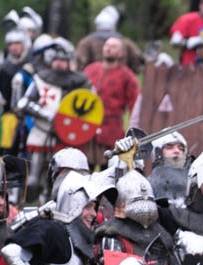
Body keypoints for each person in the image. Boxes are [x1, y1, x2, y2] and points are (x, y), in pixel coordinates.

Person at [15, 39, 92, 202]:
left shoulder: (81, 82)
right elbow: (23, 103)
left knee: (67, 173)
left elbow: (92, 106)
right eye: (57, 60)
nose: (60, 64)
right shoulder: (40, 80)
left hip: (68, 136)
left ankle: (61, 201)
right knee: (35, 178)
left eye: (63, 61)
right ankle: (32, 202)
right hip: (42, 132)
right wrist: (47, 114)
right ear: (50, 61)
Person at [83, 38, 140, 170]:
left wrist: (134, 129)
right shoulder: (90, 70)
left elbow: (135, 105)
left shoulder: (127, 76)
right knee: (85, 168)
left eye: (113, 47)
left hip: (112, 129)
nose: (108, 48)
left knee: (108, 170)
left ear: (121, 53)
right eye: (107, 45)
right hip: (88, 127)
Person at [75, 5, 146, 73]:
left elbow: (79, 64)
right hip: (111, 80)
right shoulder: (126, 42)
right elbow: (138, 60)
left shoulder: (85, 42)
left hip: (94, 82)